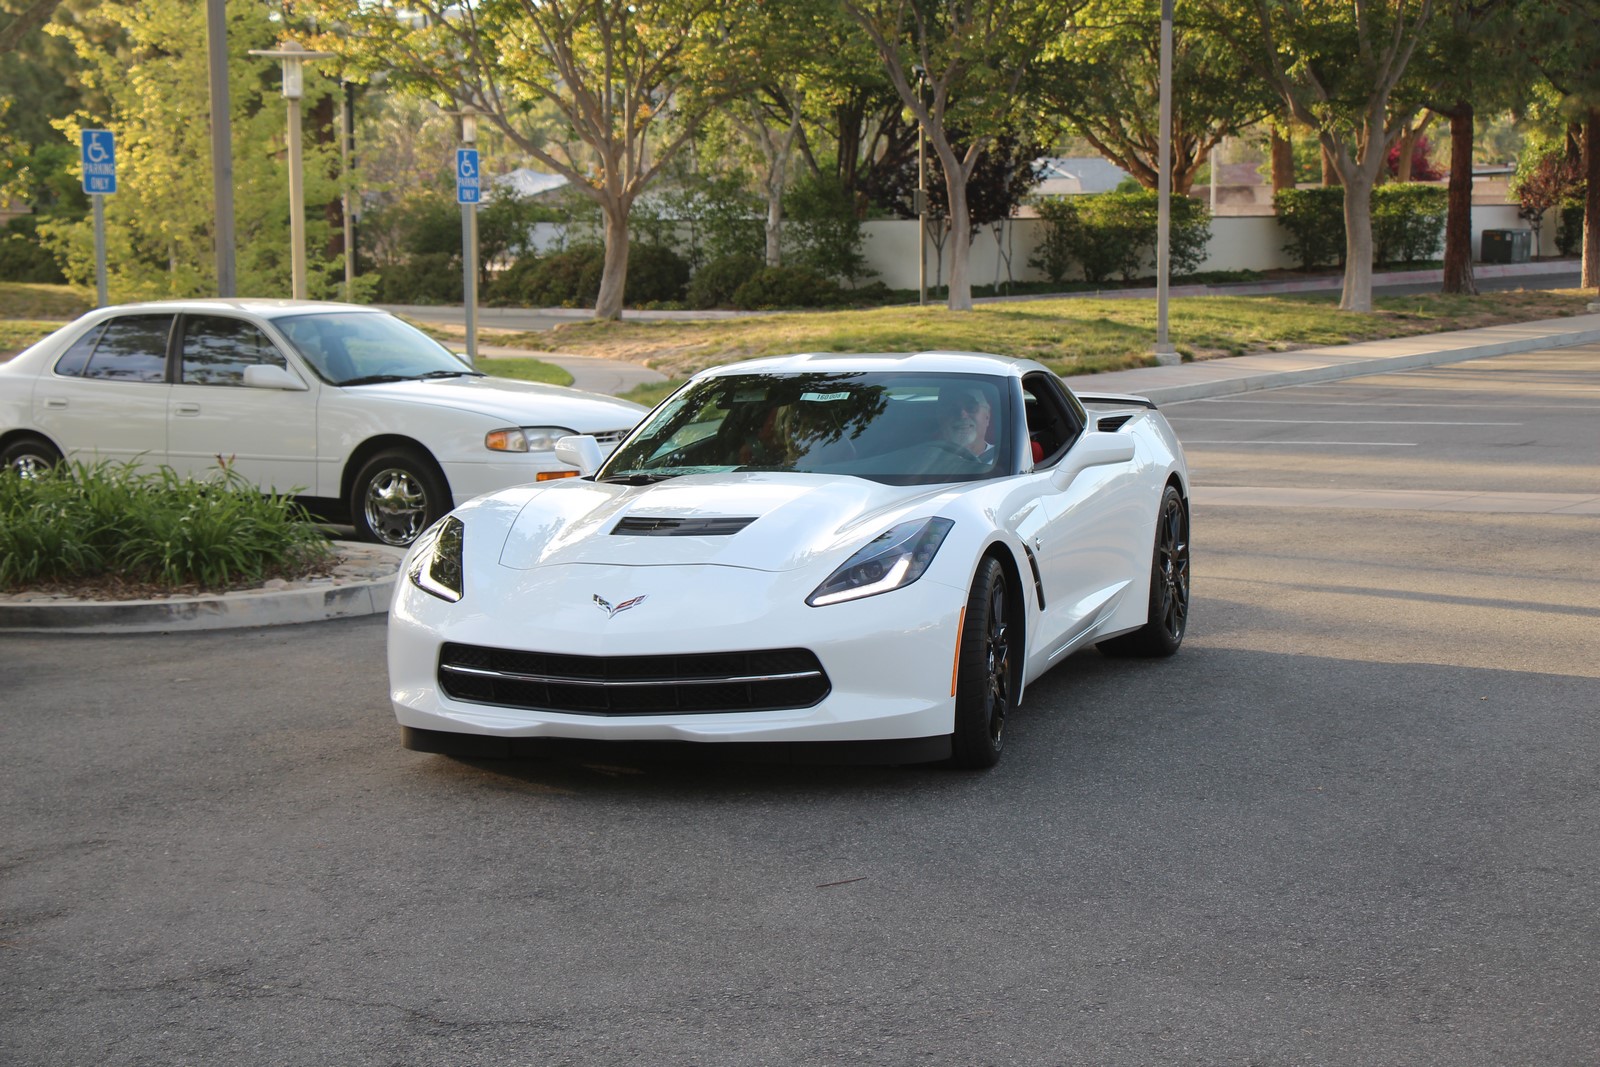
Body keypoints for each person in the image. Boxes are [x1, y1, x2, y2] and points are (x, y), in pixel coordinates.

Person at [935, 386, 993, 459]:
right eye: (953, 408)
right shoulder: (925, 463)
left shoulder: (1008, 458)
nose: (962, 415)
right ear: (940, 418)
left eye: (971, 407)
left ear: (987, 417)